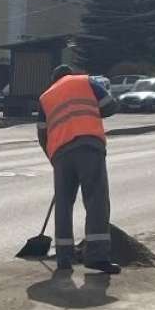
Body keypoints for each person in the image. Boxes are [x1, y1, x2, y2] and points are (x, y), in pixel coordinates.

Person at [37, 64, 121, 275]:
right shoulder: (84, 82)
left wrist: (54, 160)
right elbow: (110, 106)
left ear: (53, 80)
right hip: (88, 146)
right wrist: (93, 111)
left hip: (60, 154)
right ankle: (97, 256)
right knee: (96, 199)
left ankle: (64, 259)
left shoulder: (45, 97)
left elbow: (42, 134)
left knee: (64, 204)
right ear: (70, 74)